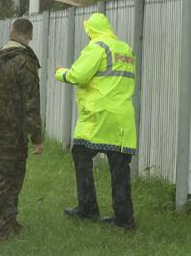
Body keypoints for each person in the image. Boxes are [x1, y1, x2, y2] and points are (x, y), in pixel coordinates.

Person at [54, 12, 137, 230]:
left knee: (80, 154)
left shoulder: (97, 47)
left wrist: (60, 72)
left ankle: (88, 209)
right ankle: (124, 218)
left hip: (98, 116)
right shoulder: (125, 49)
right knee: (120, 168)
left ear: (91, 30)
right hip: (122, 118)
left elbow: (78, 75)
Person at [0, 18, 44, 241]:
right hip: (11, 128)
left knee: (6, 175)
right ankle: (0, 229)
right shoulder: (24, 62)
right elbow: (31, 103)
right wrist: (37, 136)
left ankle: (10, 219)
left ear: (11, 32)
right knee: (10, 180)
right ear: (30, 36)